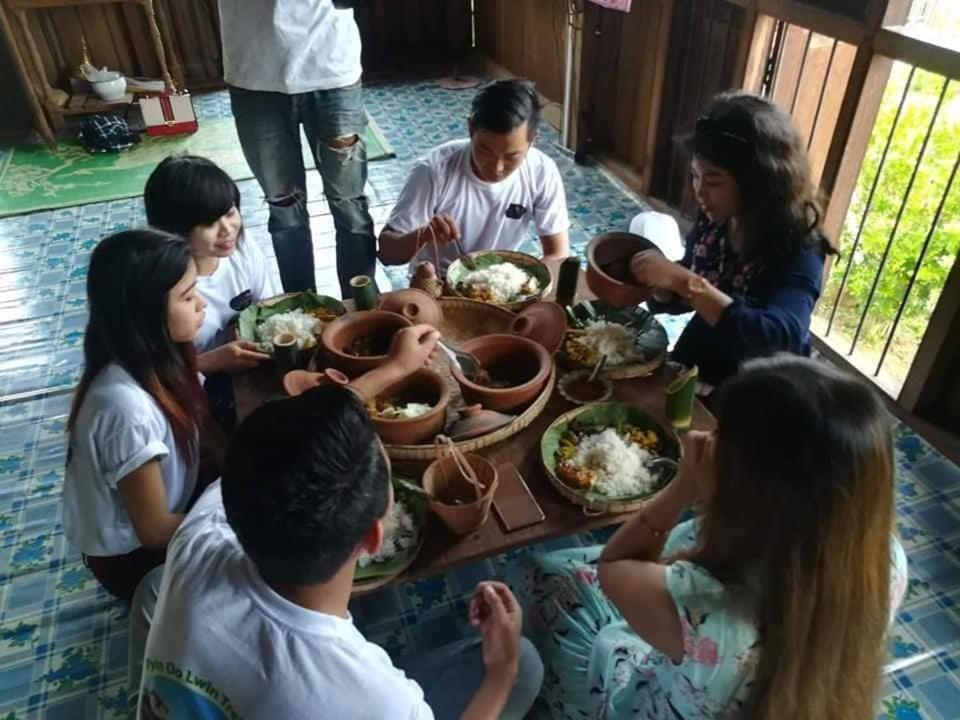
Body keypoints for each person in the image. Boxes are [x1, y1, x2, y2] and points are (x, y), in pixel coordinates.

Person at [132, 327, 544, 719]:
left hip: (215, 663)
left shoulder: (201, 530)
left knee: (153, 585)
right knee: (525, 665)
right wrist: (500, 670)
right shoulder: (375, 700)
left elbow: (291, 450)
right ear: (373, 536)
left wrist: (394, 368)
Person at [514, 356, 908, 720]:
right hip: (789, 695)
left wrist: (684, 484)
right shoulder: (884, 558)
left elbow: (615, 568)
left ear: (758, 490)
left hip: (662, 692)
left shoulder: (707, 612)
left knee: (546, 574)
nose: (708, 436)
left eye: (720, 433)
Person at [629, 91, 835, 388]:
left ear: (758, 183)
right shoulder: (719, 219)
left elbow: (779, 335)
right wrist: (664, 289)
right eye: (695, 176)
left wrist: (684, 282)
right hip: (708, 348)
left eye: (713, 181)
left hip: (764, 381)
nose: (699, 192)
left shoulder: (800, 247)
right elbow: (696, 287)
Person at [62, 229, 208, 604]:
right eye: (187, 297)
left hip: (176, 500)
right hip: (136, 561)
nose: (201, 304)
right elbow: (156, 531)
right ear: (145, 313)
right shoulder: (123, 409)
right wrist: (241, 526)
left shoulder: (158, 354)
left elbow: (206, 426)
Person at [218, 0, 376, 296]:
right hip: (254, 74)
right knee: (284, 208)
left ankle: (363, 310)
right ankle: (303, 313)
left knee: (349, 204)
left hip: (332, 67)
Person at [379, 78, 570, 273]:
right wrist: (425, 235)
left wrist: (523, 286)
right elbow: (387, 252)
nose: (497, 168)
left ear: (532, 141)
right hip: (438, 282)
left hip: (499, 281)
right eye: (485, 151)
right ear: (471, 129)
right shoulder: (433, 170)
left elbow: (557, 254)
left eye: (512, 157)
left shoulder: (542, 171)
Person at [144, 155, 278, 431]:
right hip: (185, 391)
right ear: (174, 228)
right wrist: (212, 362)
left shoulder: (242, 247)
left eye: (230, 213)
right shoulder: (156, 284)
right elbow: (148, 381)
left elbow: (269, 308)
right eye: (208, 223)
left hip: (243, 372)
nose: (227, 230)